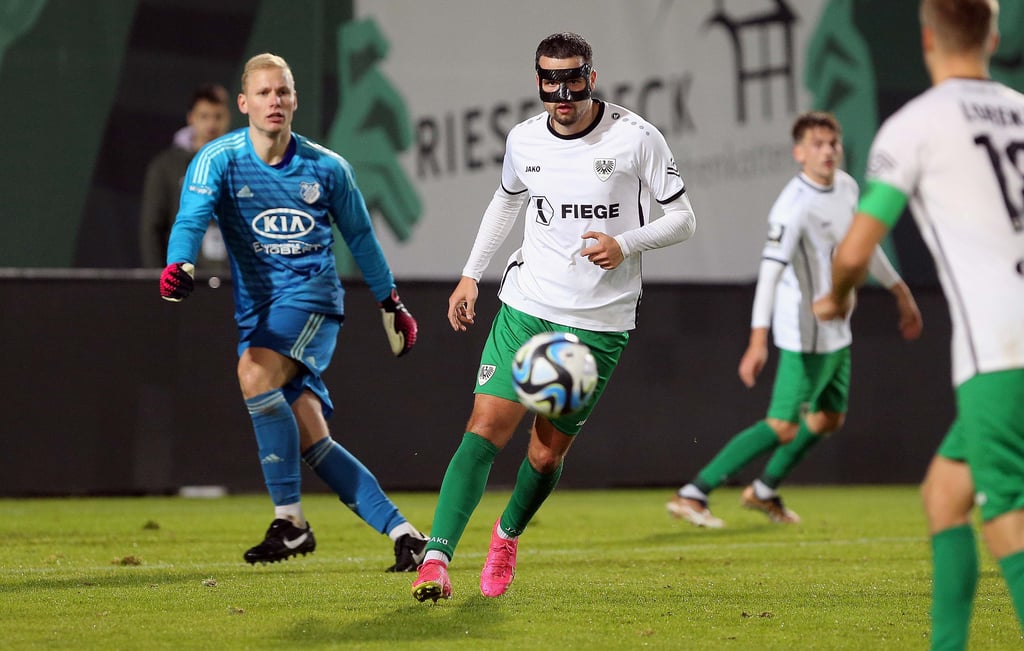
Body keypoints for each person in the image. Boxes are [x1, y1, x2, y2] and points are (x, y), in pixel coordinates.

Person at [410, 32, 697, 603]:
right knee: (484, 429)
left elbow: (684, 219)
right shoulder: (523, 140)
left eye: (573, 79)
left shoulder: (637, 138)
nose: (562, 92)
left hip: (598, 323)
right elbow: (508, 200)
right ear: (538, 80)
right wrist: (472, 273)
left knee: (544, 454)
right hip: (528, 305)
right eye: (550, 80)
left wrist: (626, 243)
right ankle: (435, 559)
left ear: (591, 76)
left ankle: (507, 534)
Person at [159, 53, 427, 571]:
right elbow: (190, 219)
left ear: (294, 100)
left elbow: (362, 239)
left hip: (312, 301)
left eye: (282, 92)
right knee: (311, 436)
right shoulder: (217, 159)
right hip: (257, 312)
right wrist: (179, 264)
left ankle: (289, 519)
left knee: (253, 372)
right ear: (244, 104)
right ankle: (406, 535)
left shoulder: (328, 168)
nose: (274, 101)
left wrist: (390, 301)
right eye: (263, 93)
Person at [813, 1, 1024, 647]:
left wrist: (838, 295)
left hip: (1002, 349)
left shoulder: (916, 125)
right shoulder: (1020, 110)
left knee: (1006, 515)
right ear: (992, 34)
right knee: (944, 496)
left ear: (927, 36)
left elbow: (854, 249)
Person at [667, 112, 923, 528]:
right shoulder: (792, 207)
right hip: (802, 329)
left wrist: (900, 291)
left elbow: (862, 248)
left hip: (838, 326)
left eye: (832, 143)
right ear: (798, 153)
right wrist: (757, 341)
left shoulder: (847, 187)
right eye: (817, 144)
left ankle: (763, 490)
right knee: (782, 424)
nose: (827, 151)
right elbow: (768, 274)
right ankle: (693, 492)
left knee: (827, 418)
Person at [140, 83, 232, 273]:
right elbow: (152, 228)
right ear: (191, 118)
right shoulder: (165, 166)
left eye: (218, 116)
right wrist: (157, 279)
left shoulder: (242, 163)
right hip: (183, 281)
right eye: (204, 116)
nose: (211, 124)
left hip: (233, 282)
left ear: (228, 118)